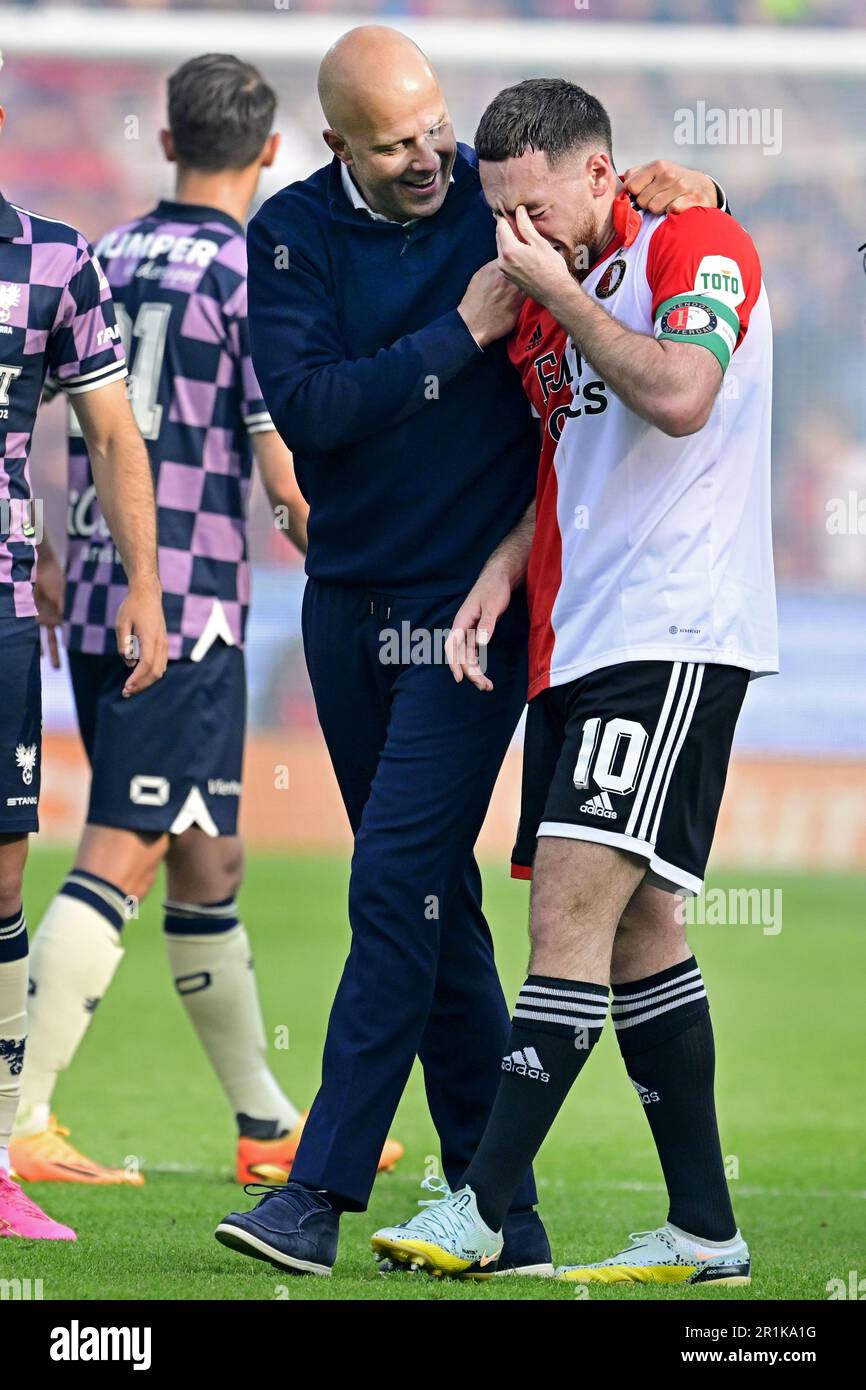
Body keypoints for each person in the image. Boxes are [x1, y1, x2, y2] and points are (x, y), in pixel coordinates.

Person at [215, 26, 725, 1278]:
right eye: (392, 142)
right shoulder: (284, 236)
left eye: (433, 122)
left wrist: (695, 184)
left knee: (393, 879)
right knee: (429, 898)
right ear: (336, 144)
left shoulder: (488, 199)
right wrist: (455, 332)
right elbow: (316, 410)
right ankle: (504, 1211)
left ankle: (314, 1192)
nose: (428, 154)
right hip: (345, 608)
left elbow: (623, 240)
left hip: (469, 619)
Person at [371, 77, 776, 1285]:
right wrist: (506, 567)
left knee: (564, 925)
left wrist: (553, 289)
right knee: (639, 928)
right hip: (580, 640)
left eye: (536, 208)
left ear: (601, 173)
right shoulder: (554, 302)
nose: (519, 238)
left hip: (670, 632)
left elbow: (677, 396)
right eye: (502, 214)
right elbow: (576, 455)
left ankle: (478, 1207)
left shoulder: (691, 240)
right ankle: (705, 1228)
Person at [9, 54, 394, 1194]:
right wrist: (365, 555)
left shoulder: (101, 253)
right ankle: (19, 1115)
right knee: (130, 838)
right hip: (178, 606)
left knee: (207, 851)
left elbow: (46, 416)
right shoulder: (249, 271)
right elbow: (280, 465)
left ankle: (264, 1121)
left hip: (89, 578)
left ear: (168, 142)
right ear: (270, 152)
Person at [0, 52, 167, 1237]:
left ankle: (2, 1158)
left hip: (3, 602)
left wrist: (139, 583)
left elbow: (109, 434)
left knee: (3, 877)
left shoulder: (54, 255)